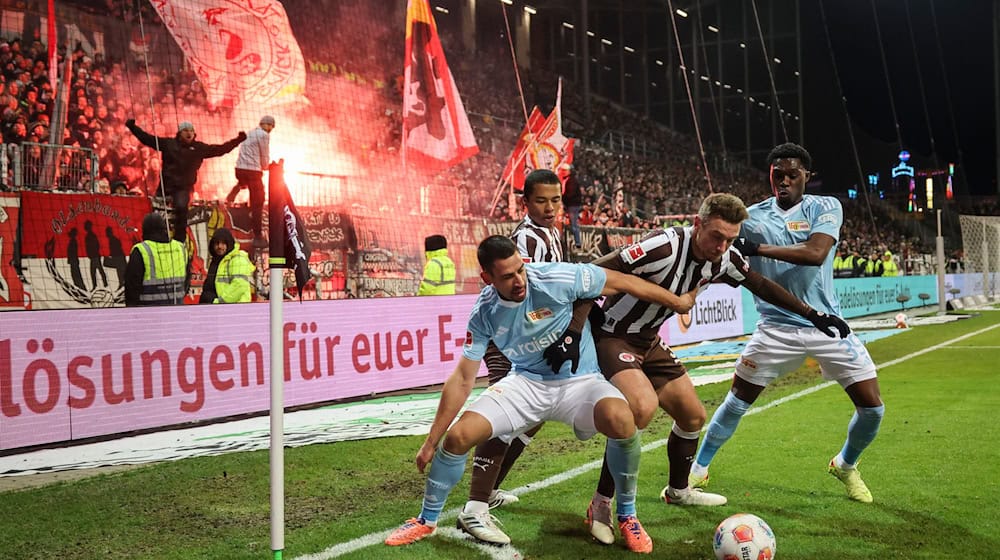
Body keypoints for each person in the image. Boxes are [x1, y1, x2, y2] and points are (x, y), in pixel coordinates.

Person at [550, 193, 852, 545]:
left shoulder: (723, 258)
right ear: (698, 224)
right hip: (613, 336)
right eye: (716, 236)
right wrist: (572, 332)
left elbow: (761, 285)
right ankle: (602, 504)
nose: (721, 246)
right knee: (641, 410)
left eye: (729, 239)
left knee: (692, 416)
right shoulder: (662, 246)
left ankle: (678, 490)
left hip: (648, 340)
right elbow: (589, 274)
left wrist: (813, 314)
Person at [384, 235, 699, 553]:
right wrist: (430, 441)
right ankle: (426, 519)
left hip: (581, 382)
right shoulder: (484, 311)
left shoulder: (556, 276)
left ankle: (627, 515)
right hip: (527, 383)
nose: (519, 280)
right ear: (487, 279)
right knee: (458, 436)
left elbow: (622, 281)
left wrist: (678, 303)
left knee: (622, 418)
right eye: (507, 276)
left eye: (520, 269)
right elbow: (463, 378)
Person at [692, 142, 884, 504]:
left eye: (792, 175)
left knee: (873, 408)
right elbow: (721, 255)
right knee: (736, 401)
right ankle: (698, 470)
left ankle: (845, 464)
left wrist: (757, 249)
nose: (783, 181)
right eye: (777, 175)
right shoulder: (750, 216)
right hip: (775, 328)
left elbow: (816, 254)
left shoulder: (825, 206)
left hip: (826, 324)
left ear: (806, 177)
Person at [464, 169, 564, 523]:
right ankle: (477, 502)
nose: (550, 207)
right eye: (541, 200)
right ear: (525, 202)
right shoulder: (526, 239)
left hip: (529, 334)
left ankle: (489, 489)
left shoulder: (550, 233)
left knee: (533, 416)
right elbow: (524, 293)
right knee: (508, 413)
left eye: (556, 199)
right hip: (508, 334)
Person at [125, 119, 245, 244]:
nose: (189, 133)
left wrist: (238, 140)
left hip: (183, 188)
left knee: (182, 208)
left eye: (191, 131)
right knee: (155, 211)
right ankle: (152, 237)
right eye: (186, 130)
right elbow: (147, 139)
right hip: (165, 187)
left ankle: (179, 240)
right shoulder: (168, 144)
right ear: (180, 133)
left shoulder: (199, 148)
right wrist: (132, 127)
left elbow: (221, 149)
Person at [226, 115, 274, 247]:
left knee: (244, 182)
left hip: (239, 170)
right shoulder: (264, 135)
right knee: (258, 201)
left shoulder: (250, 133)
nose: (270, 129)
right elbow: (264, 156)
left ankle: (233, 194)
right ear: (267, 125)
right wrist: (266, 166)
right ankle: (258, 236)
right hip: (253, 171)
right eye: (270, 126)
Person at [124, 212, 189, 306]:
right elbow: (187, 280)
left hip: (149, 314)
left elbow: (131, 287)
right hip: (177, 311)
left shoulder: (142, 250)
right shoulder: (180, 248)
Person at [198, 227, 254, 304]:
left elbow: (239, 286)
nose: (219, 246)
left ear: (229, 244)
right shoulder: (216, 262)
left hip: (235, 309)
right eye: (217, 243)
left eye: (223, 243)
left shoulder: (237, 259)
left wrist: (219, 302)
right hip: (221, 308)